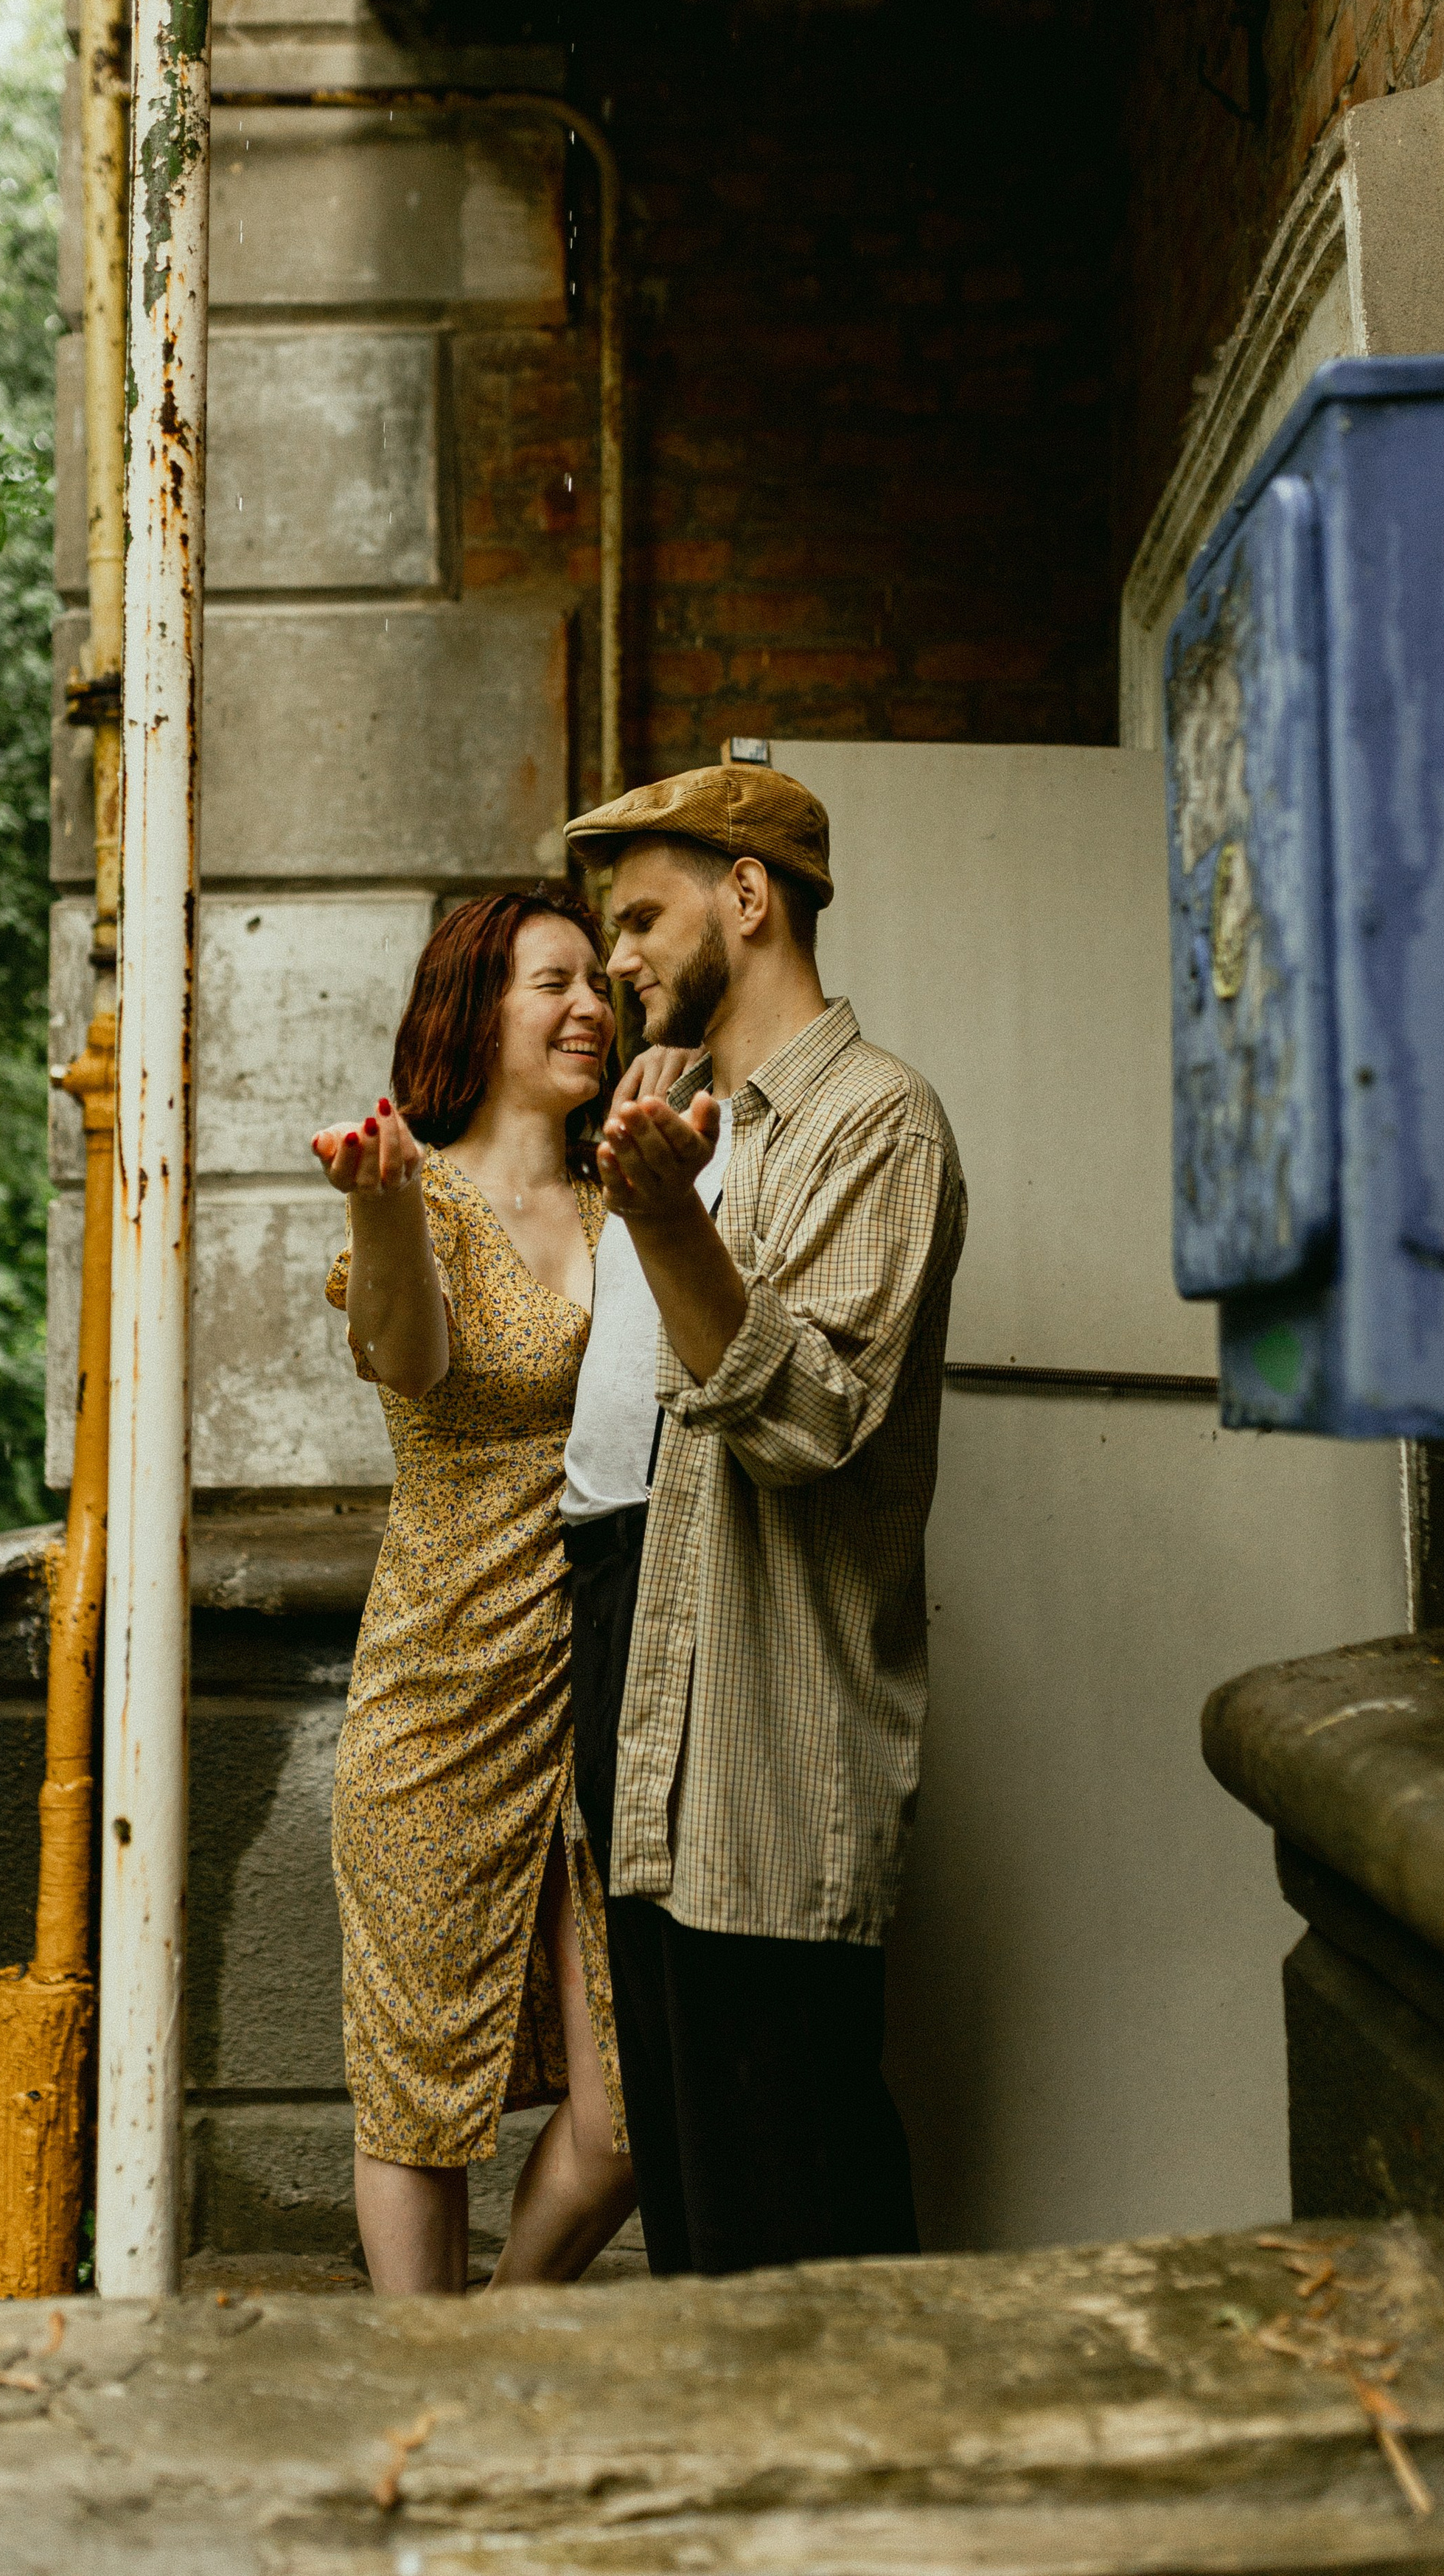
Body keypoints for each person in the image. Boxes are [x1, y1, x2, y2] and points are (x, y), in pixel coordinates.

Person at [560, 762, 967, 2279]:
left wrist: (663, 1221)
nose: (618, 956)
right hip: (645, 1708)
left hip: (766, 1745)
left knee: (800, 2201)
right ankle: (741, 2495)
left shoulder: (875, 1121)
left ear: (749, 895)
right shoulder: (691, 1125)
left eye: (642, 915)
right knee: (697, 2207)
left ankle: (867, 2501)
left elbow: (803, 1426)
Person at [312, 889, 636, 2295]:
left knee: (629, 2113)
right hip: (439, 1704)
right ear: (475, 1010)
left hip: (608, 1704)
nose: (589, 1006)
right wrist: (381, 1208)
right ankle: (424, 2391)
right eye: (551, 981)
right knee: (421, 2097)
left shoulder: (635, 1202)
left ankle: (499, 2336)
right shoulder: (423, 1195)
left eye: (597, 983)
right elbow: (409, 1355)